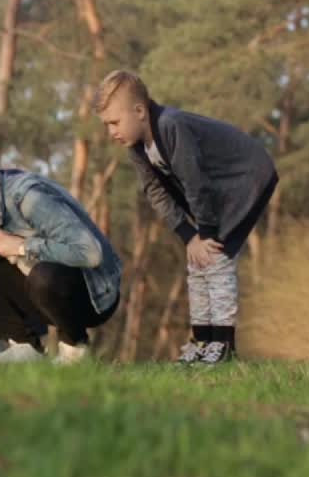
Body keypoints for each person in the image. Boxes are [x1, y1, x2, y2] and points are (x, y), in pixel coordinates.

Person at [94, 70, 277, 364]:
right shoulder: (136, 146)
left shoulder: (171, 125)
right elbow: (154, 190)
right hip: (213, 195)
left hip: (245, 179)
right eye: (106, 125)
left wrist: (205, 231)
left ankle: (223, 347)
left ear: (139, 111)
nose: (111, 132)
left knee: (216, 260)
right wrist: (188, 235)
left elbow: (195, 182)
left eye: (114, 122)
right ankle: (202, 342)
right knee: (197, 261)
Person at [0, 143, 123, 364]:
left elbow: (91, 253)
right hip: (38, 295)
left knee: (42, 275)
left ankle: (75, 349)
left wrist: (22, 246)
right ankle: (26, 347)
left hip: (93, 296)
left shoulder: (28, 197)